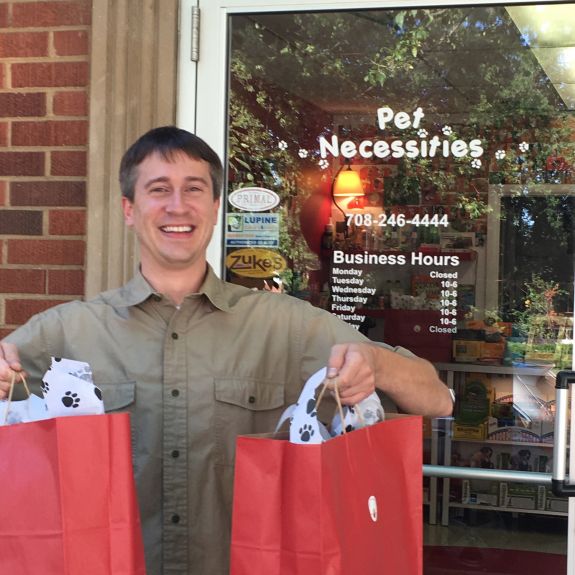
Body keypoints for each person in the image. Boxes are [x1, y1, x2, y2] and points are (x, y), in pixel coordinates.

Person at [0, 126, 453, 574]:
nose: (178, 205)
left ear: (215, 208)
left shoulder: (283, 326)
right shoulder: (66, 333)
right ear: (129, 209)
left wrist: (374, 363)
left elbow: (436, 399)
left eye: (193, 189)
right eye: (159, 189)